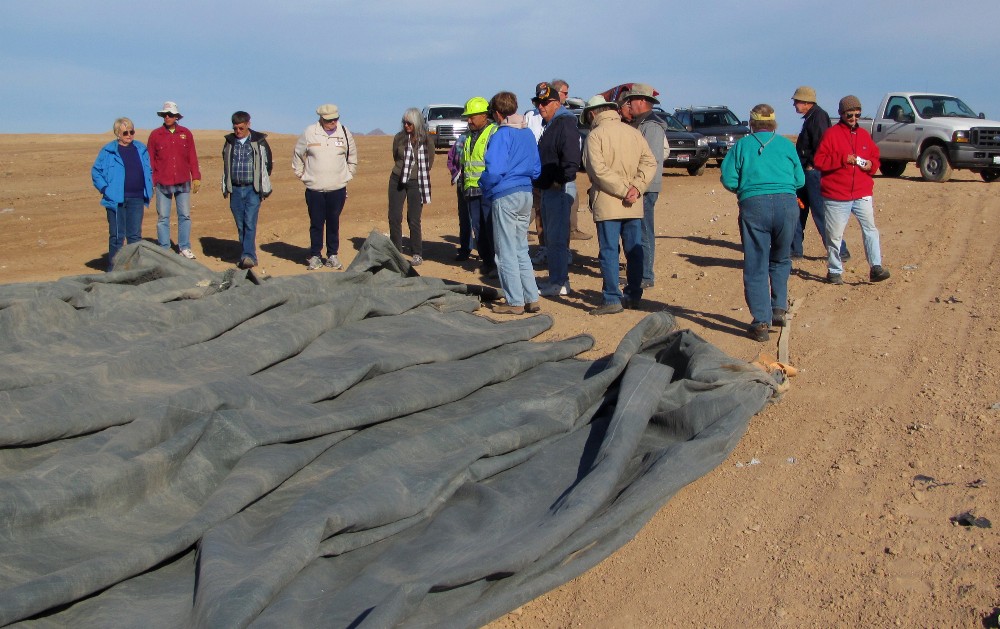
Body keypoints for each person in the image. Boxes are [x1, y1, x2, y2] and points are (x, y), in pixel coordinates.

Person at [720, 104, 805, 342]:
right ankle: (778, 308)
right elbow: (799, 179)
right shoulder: (786, 145)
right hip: (787, 205)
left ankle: (761, 321)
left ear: (752, 123)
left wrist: (745, 189)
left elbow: (728, 178)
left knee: (756, 262)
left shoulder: (742, 146)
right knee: (780, 258)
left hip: (753, 205)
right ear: (774, 123)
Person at [581, 95, 657, 315]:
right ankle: (633, 295)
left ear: (593, 113)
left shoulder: (595, 136)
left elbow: (597, 170)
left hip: (608, 201)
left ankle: (612, 298)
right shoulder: (633, 132)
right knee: (634, 250)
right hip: (633, 202)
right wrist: (636, 187)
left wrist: (625, 190)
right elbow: (649, 162)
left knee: (609, 251)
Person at [814, 95, 891, 285]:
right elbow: (819, 161)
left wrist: (871, 165)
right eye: (850, 114)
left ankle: (876, 267)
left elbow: (874, 158)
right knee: (834, 235)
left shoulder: (864, 135)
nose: (854, 118)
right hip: (836, 196)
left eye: (857, 114)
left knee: (870, 230)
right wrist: (842, 159)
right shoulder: (831, 134)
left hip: (862, 193)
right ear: (841, 114)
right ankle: (834, 271)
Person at [479, 91, 542, 315]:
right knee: (520, 249)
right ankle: (531, 297)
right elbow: (536, 168)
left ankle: (515, 301)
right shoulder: (527, 134)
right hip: (526, 193)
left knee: (505, 251)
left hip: (506, 195)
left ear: (496, 113)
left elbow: (495, 169)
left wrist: (484, 184)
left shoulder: (501, 135)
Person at [293, 103, 358, 270]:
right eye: (329, 120)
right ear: (321, 119)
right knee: (316, 222)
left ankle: (332, 255)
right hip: (315, 189)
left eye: (336, 119)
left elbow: (352, 156)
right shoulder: (310, 132)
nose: (333, 123)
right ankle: (315, 255)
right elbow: (298, 154)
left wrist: (348, 175)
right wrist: (302, 175)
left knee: (333, 221)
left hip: (337, 188)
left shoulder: (344, 132)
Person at [791, 86, 850, 261]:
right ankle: (794, 249)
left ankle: (840, 250)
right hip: (805, 173)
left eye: (797, 101)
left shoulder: (818, 117)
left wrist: (812, 165)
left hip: (813, 174)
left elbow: (823, 144)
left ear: (807, 103)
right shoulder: (811, 117)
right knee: (797, 210)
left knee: (821, 213)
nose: (794, 104)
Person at [533, 82, 581, 297]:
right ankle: (556, 279)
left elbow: (571, 160)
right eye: (537, 102)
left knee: (557, 239)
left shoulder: (564, 123)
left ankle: (559, 282)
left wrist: (559, 181)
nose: (540, 106)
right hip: (549, 188)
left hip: (558, 189)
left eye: (544, 102)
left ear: (556, 102)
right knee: (552, 238)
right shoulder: (552, 124)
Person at [91, 117, 152, 271]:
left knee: (135, 236)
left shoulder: (140, 149)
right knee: (117, 236)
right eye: (125, 132)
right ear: (117, 133)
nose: (129, 135)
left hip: (137, 197)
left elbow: (148, 169)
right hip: (116, 199)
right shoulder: (108, 151)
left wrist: (149, 186)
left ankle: (134, 269)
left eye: (132, 131)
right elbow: (96, 171)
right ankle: (114, 270)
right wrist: (105, 189)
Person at [621, 83, 666, 289]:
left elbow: (652, 159)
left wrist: (640, 185)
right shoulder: (642, 123)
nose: (628, 104)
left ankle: (646, 276)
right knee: (638, 230)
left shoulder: (652, 125)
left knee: (644, 231)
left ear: (641, 101)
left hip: (646, 186)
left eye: (631, 100)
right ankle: (641, 273)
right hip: (641, 185)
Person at [147, 101, 201, 258]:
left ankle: (184, 246)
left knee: (184, 215)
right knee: (163, 217)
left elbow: (192, 157)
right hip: (163, 182)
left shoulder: (186, 133)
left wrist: (196, 176)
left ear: (177, 116)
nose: (167, 117)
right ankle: (164, 248)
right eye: (165, 115)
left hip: (183, 181)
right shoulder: (155, 135)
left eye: (170, 114)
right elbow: (150, 159)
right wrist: (150, 181)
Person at [221, 111, 272, 269]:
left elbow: (268, 165)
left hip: (253, 189)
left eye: (241, 128)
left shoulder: (259, 142)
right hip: (235, 189)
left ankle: (248, 256)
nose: (238, 131)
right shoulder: (229, 142)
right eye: (235, 128)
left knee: (250, 221)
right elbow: (225, 163)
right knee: (241, 224)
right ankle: (247, 252)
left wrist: (262, 184)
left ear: (248, 124)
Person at [388, 108, 434, 266]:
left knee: (413, 219)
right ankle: (396, 251)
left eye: (410, 123)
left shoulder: (427, 140)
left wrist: (415, 173)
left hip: (417, 182)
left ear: (417, 123)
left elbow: (430, 162)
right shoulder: (399, 138)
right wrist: (404, 171)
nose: (406, 125)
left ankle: (417, 253)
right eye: (404, 122)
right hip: (397, 179)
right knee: (394, 217)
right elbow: (396, 156)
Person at [461, 96, 499, 277]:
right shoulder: (468, 136)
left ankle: (496, 264)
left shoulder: (493, 132)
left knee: (491, 227)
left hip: (488, 190)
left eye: (472, 116)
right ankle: (488, 262)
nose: (469, 120)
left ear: (484, 115)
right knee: (478, 228)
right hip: (471, 189)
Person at [446, 132, 473, 261]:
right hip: (463, 184)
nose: (469, 121)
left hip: (483, 186)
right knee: (464, 218)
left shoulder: (491, 134)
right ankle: (465, 249)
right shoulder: (462, 138)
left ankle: (488, 255)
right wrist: (455, 173)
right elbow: (451, 157)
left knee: (483, 222)